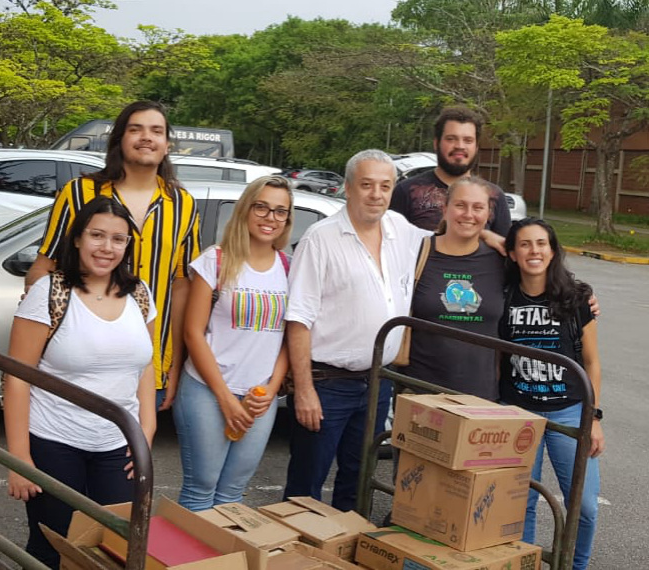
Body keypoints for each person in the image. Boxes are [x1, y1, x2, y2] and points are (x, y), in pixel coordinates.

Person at [3, 196, 157, 569]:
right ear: (76, 239)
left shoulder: (139, 293)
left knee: (115, 544)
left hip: (118, 445)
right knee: (52, 544)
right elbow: (17, 379)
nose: (107, 248)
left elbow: (145, 369)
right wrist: (20, 458)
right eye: (97, 235)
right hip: (54, 442)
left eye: (118, 239)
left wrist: (145, 438)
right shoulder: (50, 292)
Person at [25, 101, 200, 412]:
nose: (146, 137)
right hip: (79, 361)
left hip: (147, 361)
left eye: (156, 131)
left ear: (166, 145)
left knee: (130, 454)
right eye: (136, 129)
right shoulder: (80, 193)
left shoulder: (183, 203)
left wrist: (175, 362)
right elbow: (42, 269)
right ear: (119, 139)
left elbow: (182, 286)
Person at [283, 149, 431, 511]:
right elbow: (298, 319)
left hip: (376, 383)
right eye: (366, 185)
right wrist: (304, 390)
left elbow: (443, 240)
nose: (375, 194)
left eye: (384, 185)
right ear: (347, 188)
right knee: (307, 483)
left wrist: (493, 240)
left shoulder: (400, 228)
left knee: (358, 478)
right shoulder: (321, 238)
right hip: (327, 384)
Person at [173, 175, 292, 511]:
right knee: (202, 488)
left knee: (233, 493)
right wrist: (225, 398)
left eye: (280, 212)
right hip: (207, 391)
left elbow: (288, 338)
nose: (270, 218)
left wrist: (272, 390)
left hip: (259, 397)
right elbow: (192, 332)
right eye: (262, 207)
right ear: (245, 209)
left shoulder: (288, 268)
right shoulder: (217, 260)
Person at [499, 218, 604, 570]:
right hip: (518, 411)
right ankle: (524, 563)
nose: (534, 251)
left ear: (553, 250)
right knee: (521, 500)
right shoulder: (503, 296)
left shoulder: (577, 297)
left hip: (569, 410)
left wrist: (595, 418)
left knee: (584, 504)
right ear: (512, 253)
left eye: (541, 243)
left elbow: (591, 362)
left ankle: (577, 565)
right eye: (525, 244)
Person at [397, 176, 505, 400]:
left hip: (481, 397)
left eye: (478, 207)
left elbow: (544, 279)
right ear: (445, 208)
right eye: (460, 205)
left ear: (488, 214)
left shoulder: (501, 260)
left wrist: (584, 297)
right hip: (419, 392)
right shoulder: (415, 252)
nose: (468, 214)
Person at [390, 106, 511, 236]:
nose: (460, 146)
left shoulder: (494, 195)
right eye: (451, 139)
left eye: (468, 140)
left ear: (476, 147)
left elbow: (505, 249)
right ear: (436, 143)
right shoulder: (406, 191)